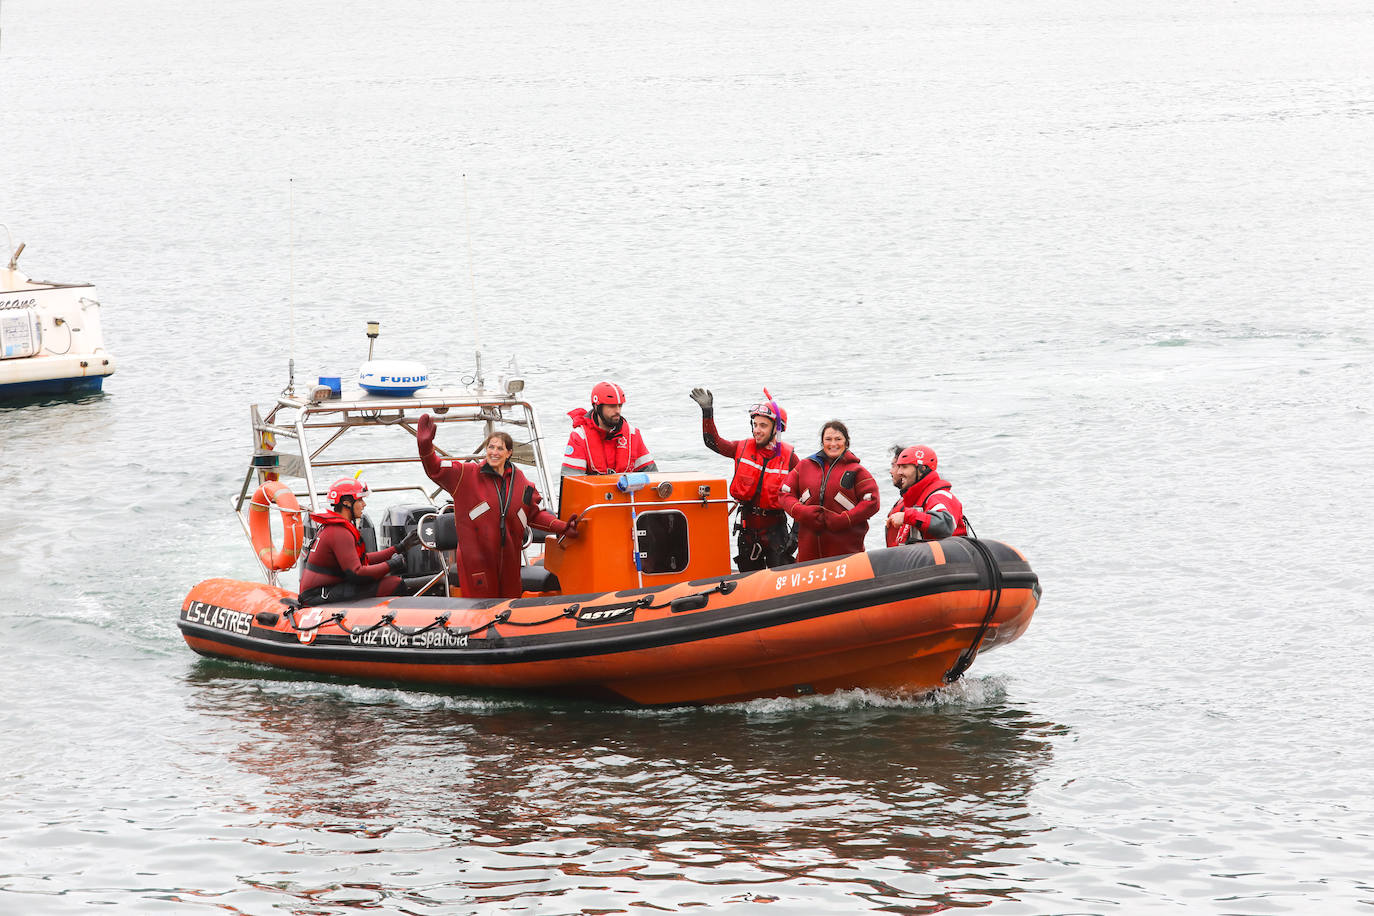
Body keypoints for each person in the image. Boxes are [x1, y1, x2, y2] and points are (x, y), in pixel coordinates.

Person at [417, 416, 580, 598]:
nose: (494, 452)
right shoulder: (465, 475)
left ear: (509, 453)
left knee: (509, 606)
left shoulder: (522, 483)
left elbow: (534, 515)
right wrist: (425, 447)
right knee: (481, 608)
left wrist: (562, 527)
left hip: (510, 563)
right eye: (491, 447)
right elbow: (435, 468)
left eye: (500, 448)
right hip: (476, 563)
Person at [689, 386, 798, 570]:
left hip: (777, 534)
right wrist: (707, 412)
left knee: (780, 580)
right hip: (748, 534)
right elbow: (712, 442)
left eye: (763, 426)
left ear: (777, 429)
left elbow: (806, 499)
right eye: (755, 425)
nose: (757, 430)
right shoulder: (741, 448)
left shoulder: (790, 459)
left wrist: (795, 536)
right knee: (749, 580)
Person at [299, 477, 418, 606]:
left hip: (322, 591)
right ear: (347, 503)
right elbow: (357, 574)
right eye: (360, 500)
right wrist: (392, 564)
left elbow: (363, 559)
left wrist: (400, 547)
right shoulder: (339, 532)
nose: (364, 504)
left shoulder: (335, 528)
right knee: (394, 583)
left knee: (386, 580)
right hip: (317, 596)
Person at [778, 420, 881, 561]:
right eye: (828, 439)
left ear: (846, 442)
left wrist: (844, 519)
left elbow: (872, 503)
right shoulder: (804, 466)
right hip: (808, 554)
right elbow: (784, 493)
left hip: (847, 555)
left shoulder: (857, 471)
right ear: (822, 442)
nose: (833, 444)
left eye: (838, 439)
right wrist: (801, 512)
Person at [561, 381, 657, 477]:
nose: (618, 411)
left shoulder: (633, 434)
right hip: (593, 487)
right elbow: (571, 480)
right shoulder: (580, 436)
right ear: (597, 407)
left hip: (628, 487)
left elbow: (653, 476)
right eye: (612, 406)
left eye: (620, 406)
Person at [885, 445, 967, 545]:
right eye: (899, 467)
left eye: (904, 467)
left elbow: (946, 524)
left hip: (949, 553)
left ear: (922, 469)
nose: (899, 472)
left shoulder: (939, 496)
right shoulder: (916, 500)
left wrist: (906, 517)